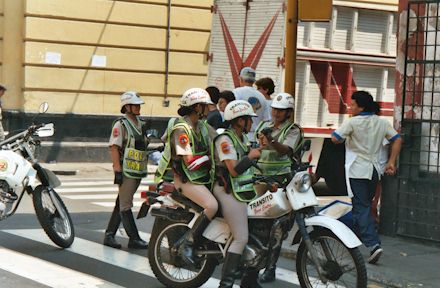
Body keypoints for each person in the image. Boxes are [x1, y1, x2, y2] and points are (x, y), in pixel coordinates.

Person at [331, 91, 402, 264]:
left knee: (361, 207)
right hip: (374, 170)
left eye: (353, 104)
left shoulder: (352, 122)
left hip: (356, 170)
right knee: (361, 207)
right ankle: (350, 239)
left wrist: (341, 137)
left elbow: (335, 138)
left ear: (360, 106)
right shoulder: (381, 122)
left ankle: (373, 244)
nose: (350, 107)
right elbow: (397, 139)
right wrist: (391, 162)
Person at [157, 87, 218, 267]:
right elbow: (190, 161)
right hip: (187, 180)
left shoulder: (203, 126)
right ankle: (189, 243)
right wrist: (210, 156)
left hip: (203, 178)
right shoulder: (181, 129)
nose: (209, 108)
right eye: (205, 106)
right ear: (197, 107)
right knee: (212, 206)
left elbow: (220, 141)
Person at [255, 92, 304, 283]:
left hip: (281, 182)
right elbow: (255, 147)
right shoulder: (262, 125)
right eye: (275, 109)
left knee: (278, 227)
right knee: (256, 224)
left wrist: (272, 140)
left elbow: (287, 150)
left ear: (288, 113)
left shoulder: (293, 130)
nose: (276, 113)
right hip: (259, 179)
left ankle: (271, 268)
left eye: (281, 111)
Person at [213, 100, 262, 288]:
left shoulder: (242, 139)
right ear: (240, 120)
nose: (251, 123)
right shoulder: (225, 140)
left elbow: (250, 162)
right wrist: (250, 157)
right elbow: (233, 170)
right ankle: (225, 285)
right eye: (249, 119)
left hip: (242, 189)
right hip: (226, 189)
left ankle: (250, 278)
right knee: (241, 237)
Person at [104, 91, 149, 249]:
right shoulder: (121, 124)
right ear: (126, 106)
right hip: (126, 170)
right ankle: (134, 238)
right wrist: (117, 170)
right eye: (135, 105)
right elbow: (114, 147)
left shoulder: (140, 123)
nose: (138, 107)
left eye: (138, 105)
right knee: (125, 205)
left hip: (137, 170)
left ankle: (109, 235)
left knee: (121, 202)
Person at [233, 67, 270, 140]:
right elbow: (266, 120)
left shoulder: (236, 93)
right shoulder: (262, 96)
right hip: (256, 138)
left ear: (241, 79)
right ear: (253, 81)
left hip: (239, 137)